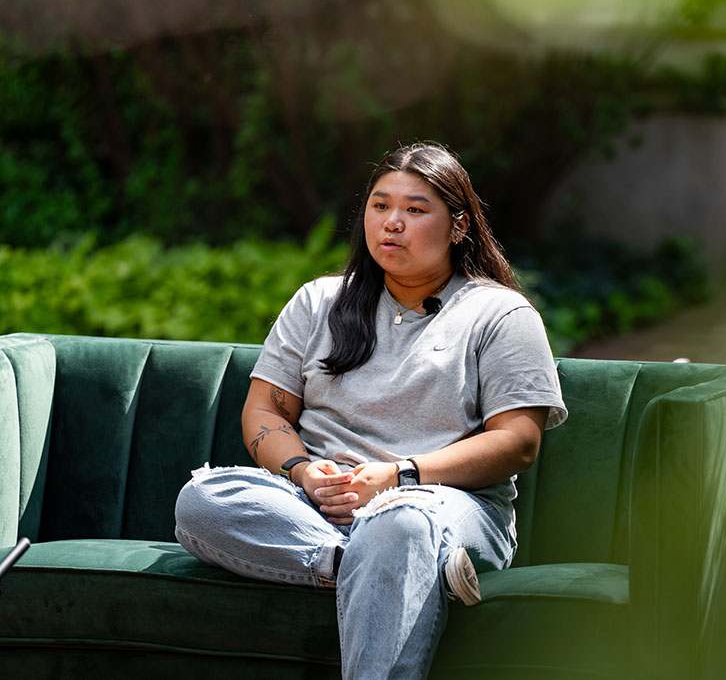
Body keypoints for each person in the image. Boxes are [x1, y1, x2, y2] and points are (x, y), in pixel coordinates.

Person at [174, 142, 567, 680]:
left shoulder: (498, 314)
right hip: (317, 506)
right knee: (201, 499)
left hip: (442, 503)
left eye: (415, 209)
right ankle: (354, 562)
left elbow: (518, 441)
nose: (392, 223)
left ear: (459, 226)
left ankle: (398, 552)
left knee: (399, 524)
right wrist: (304, 472)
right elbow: (264, 410)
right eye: (380, 206)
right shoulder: (320, 302)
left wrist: (399, 476)